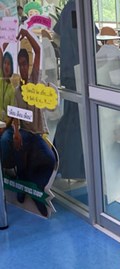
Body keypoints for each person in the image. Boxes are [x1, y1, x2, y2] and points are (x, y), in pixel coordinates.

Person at [1, 28, 56, 217]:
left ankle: (37, 188)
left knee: (48, 159)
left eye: (26, 64)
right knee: (14, 144)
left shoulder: (34, 81)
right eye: (21, 64)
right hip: (24, 133)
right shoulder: (18, 90)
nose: (23, 68)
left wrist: (26, 33)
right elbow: (15, 115)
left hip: (37, 134)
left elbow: (38, 51)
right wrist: (15, 132)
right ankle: (23, 180)